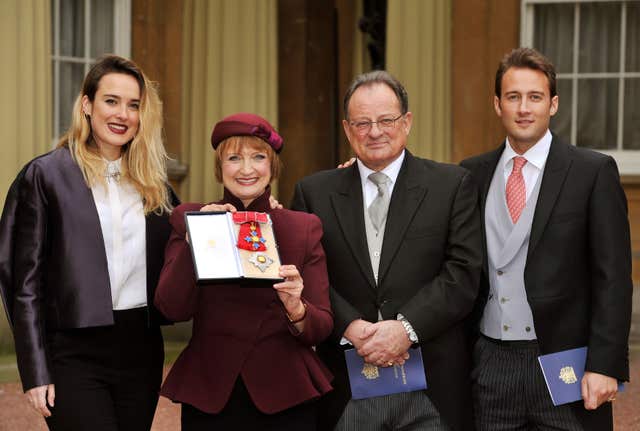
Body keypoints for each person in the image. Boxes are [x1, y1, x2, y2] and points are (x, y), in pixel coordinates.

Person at [291, 71, 483, 431]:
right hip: (346, 384)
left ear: (406, 122)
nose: (374, 132)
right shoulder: (313, 193)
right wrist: (351, 326)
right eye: (362, 123)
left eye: (386, 120)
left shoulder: (451, 185)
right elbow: (306, 276)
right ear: (348, 130)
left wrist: (405, 329)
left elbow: (462, 275)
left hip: (431, 384)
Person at [0, 55, 178, 430]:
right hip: (72, 350)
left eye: (134, 105)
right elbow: (24, 283)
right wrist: (34, 369)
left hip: (140, 349)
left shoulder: (154, 185)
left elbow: (193, 241)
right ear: (87, 105)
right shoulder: (46, 176)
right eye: (111, 101)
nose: (122, 114)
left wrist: (254, 212)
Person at [460, 47, 632, 431]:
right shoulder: (470, 175)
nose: (524, 108)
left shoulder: (592, 171)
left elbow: (614, 279)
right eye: (513, 97)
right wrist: (358, 178)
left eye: (535, 97)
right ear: (496, 104)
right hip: (491, 363)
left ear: (553, 104)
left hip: (564, 361)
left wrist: (604, 365)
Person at [154, 112, 333, 431]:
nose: (247, 169)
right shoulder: (192, 220)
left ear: (272, 166)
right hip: (212, 393)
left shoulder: (302, 228)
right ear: (220, 168)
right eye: (234, 158)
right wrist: (197, 238)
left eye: (258, 157)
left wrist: (297, 308)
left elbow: (321, 326)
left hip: (285, 394)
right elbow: (171, 307)